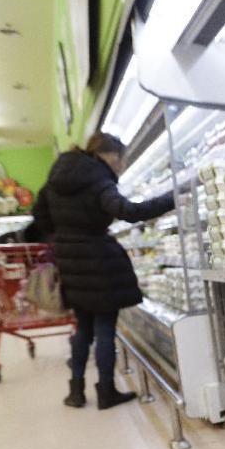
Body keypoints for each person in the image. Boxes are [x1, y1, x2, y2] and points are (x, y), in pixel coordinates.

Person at [33, 132, 174, 409]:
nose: (121, 167)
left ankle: (75, 392)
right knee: (105, 328)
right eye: (121, 160)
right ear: (110, 156)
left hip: (70, 261)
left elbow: (39, 216)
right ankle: (106, 392)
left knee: (83, 327)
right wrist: (173, 198)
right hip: (98, 261)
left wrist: (65, 237)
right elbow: (129, 211)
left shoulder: (55, 178)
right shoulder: (98, 178)